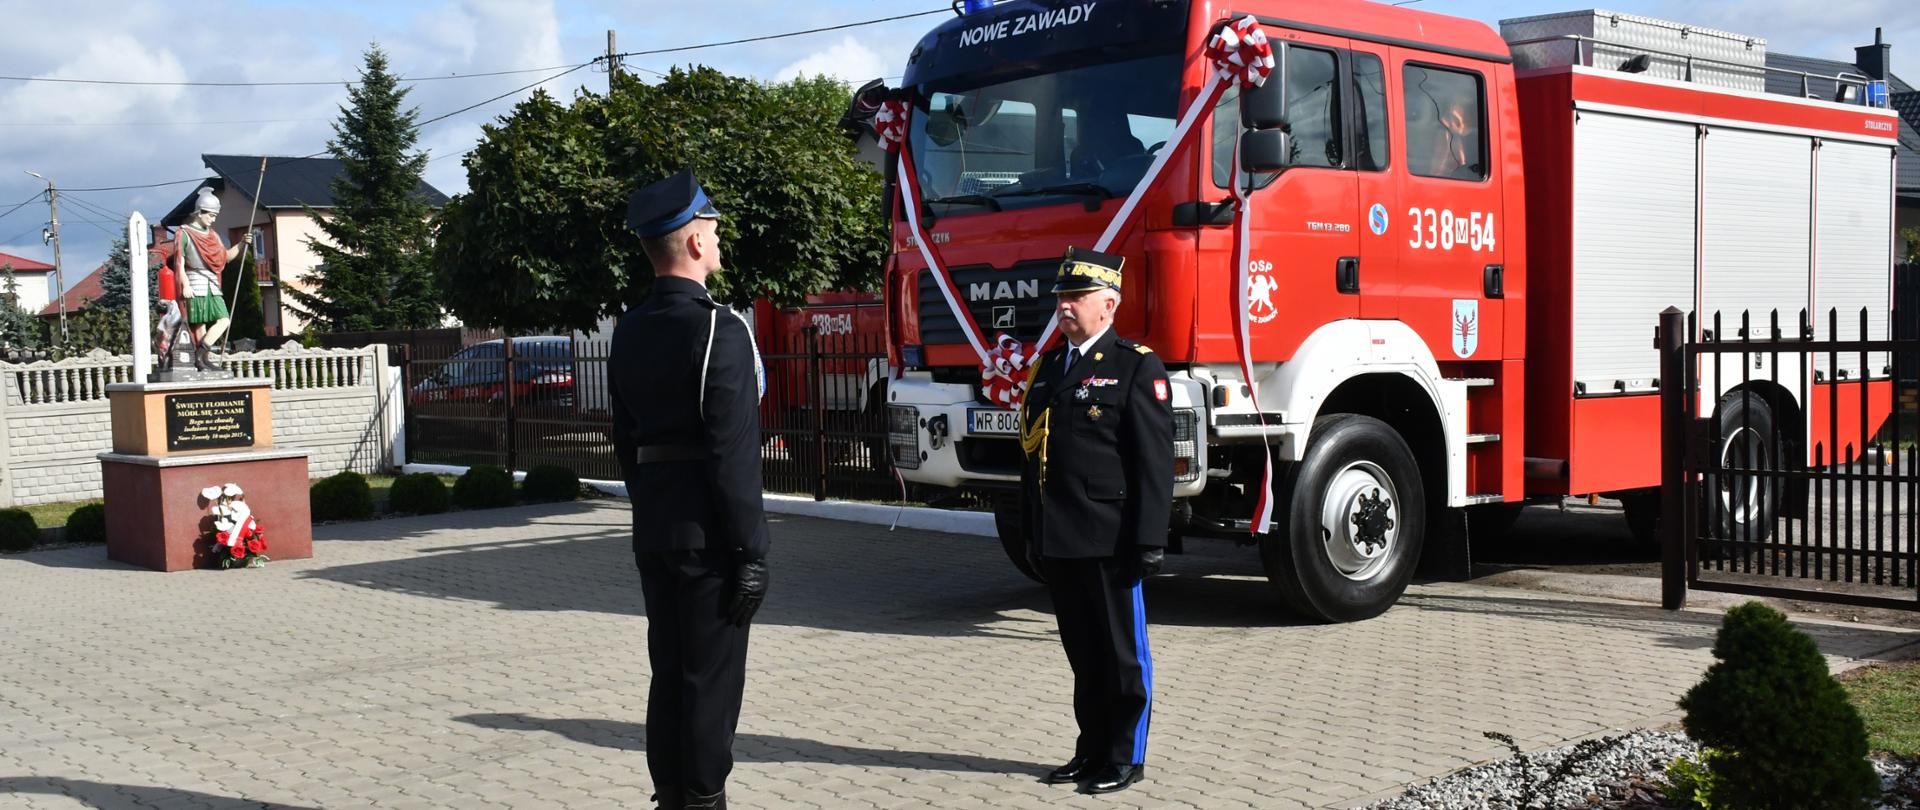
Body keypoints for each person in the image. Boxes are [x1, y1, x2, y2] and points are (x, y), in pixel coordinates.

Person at [610, 169, 770, 810]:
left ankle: (672, 794)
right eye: (715, 231)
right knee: (710, 680)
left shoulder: (630, 328)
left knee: (669, 674)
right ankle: (703, 799)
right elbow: (733, 456)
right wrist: (752, 551)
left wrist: (650, 509)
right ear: (697, 244)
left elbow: (625, 440)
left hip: (656, 526)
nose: (721, 242)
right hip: (710, 536)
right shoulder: (718, 329)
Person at [1018, 246, 1174, 795]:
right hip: (1060, 539)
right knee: (1083, 656)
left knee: (1122, 657)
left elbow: (1154, 464)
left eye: (1076, 297)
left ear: (1108, 304)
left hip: (1111, 541)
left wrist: (1150, 540)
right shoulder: (1049, 367)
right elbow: (1034, 457)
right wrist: (1032, 533)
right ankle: (1090, 751)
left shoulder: (1136, 364)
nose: (1064, 306)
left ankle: (1125, 756)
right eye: (1061, 297)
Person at [172, 190, 240, 372]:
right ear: (200, 212)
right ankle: (203, 360)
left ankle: (201, 354)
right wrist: (185, 285)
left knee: (224, 320)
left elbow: (225, 258)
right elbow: (179, 262)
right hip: (194, 282)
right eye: (211, 215)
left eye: (215, 215)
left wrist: (242, 245)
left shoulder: (213, 236)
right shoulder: (183, 233)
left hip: (211, 282)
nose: (213, 219)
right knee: (199, 324)